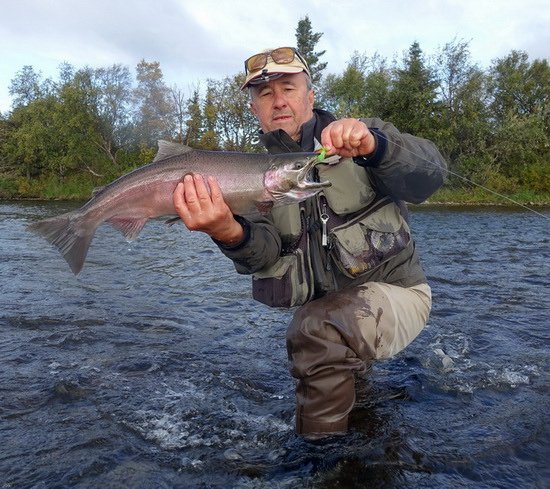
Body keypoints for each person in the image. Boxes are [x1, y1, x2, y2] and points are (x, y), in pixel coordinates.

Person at [172, 46, 447, 438]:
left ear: (311, 96)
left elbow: (431, 174)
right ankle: (360, 429)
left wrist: (375, 146)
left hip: (399, 293)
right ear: (254, 109)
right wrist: (227, 231)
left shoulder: (364, 135)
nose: (278, 100)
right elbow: (263, 255)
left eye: (288, 87)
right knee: (331, 352)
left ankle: (321, 461)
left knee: (314, 330)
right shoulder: (247, 178)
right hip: (339, 315)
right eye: (265, 94)